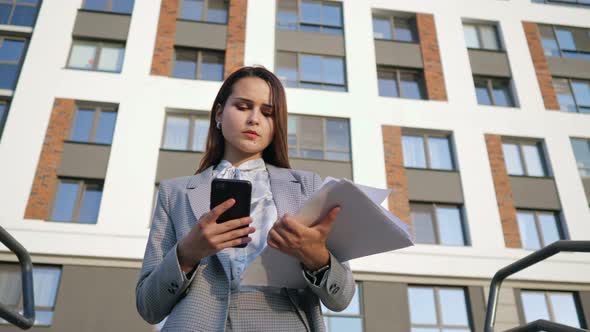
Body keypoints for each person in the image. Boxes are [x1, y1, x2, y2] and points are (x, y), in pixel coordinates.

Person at [135, 65, 356, 332]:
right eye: (242, 107)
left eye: (267, 112)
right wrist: (187, 253)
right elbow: (148, 307)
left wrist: (317, 257)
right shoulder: (175, 193)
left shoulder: (307, 186)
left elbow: (341, 298)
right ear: (219, 113)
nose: (254, 119)